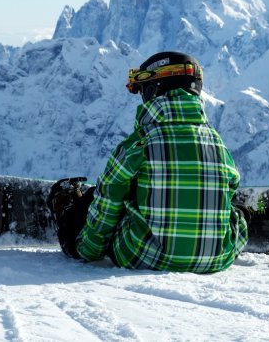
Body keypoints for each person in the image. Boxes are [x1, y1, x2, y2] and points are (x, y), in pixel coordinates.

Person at [47, 52, 248, 273]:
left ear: (155, 89)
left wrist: (84, 248)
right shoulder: (219, 144)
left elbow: (107, 208)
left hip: (143, 257)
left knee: (100, 196)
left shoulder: (139, 144)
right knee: (234, 207)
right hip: (216, 260)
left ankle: (69, 207)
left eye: (143, 89)